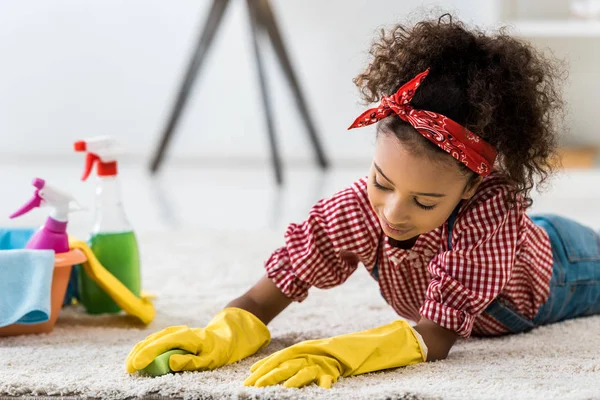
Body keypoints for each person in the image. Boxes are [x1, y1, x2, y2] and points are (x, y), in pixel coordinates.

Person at [125, 14, 600, 389]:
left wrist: (346, 353)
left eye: (426, 200)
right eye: (383, 181)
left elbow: (434, 337)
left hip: (565, 268)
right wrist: (226, 331)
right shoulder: (355, 209)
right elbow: (266, 292)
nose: (393, 213)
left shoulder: (490, 214)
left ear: (473, 187)